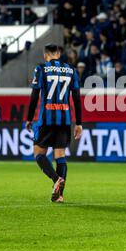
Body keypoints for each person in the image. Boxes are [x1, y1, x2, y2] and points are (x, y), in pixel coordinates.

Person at [26, 44, 83, 203]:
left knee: (38, 154)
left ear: (46, 55)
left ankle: (56, 179)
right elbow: (77, 98)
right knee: (60, 156)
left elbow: (34, 96)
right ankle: (60, 195)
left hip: (46, 119)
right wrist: (79, 123)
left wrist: (29, 118)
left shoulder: (41, 69)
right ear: (59, 54)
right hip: (65, 120)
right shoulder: (71, 70)